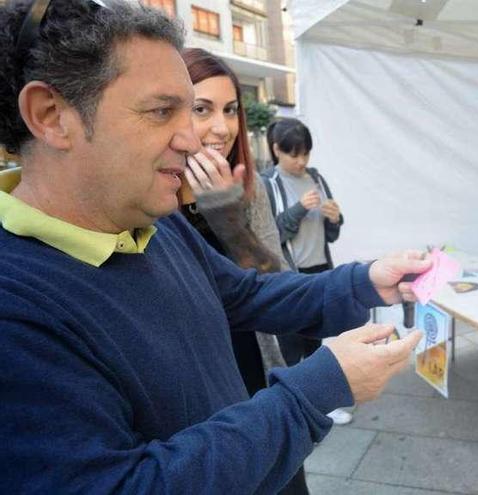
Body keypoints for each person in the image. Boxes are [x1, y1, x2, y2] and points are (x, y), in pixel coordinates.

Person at [0, 1, 428, 492]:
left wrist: (366, 280)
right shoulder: (16, 306)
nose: (195, 138)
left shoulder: (157, 223)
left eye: (196, 109)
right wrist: (316, 389)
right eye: (163, 111)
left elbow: (246, 295)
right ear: (51, 116)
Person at [179, 47, 311, 494]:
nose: (222, 127)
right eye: (202, 109)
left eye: (231, 109)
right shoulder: (147, 195)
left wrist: (226, 215)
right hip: (195, 385)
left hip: (255, 363)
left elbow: (278, 283)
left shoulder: (246, 188)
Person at [263, 118, 354, 424]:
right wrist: (299, 208)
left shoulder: (316, 177)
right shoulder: (268, 184)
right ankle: (289, 413)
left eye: (306, 153)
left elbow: (332, 235)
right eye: (293, 154)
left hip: (319, 270)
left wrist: (334, 218)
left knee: (316, 342)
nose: (301, 161)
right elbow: (271, 236)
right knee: (290, 346)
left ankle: (322, 404)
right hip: (289, 275)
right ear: (277, 150)